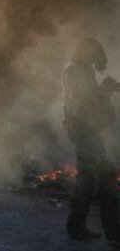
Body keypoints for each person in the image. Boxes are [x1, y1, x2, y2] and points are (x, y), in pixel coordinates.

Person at [63, 37, 120, 242]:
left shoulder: (84, 69)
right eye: (93, 53)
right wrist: (105, 89)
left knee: (86, 181)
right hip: (83, 131)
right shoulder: (74, 71)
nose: (96, 59)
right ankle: (114, 234)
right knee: (107, 178)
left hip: (86, 130)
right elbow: (83, 101)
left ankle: (76, 227)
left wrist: (107, 88)